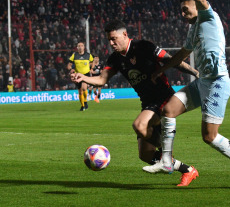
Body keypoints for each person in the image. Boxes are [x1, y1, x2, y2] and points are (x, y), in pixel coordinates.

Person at [143, 0, 230, 189]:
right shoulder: (193, 29)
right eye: (182, 11)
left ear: (197, 8)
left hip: (217, 83)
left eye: (186, 10)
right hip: (202, 81)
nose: (183, 14)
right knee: (168, 110)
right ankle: (166, 162)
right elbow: (181, 56)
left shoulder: (210, 17)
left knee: (209, 136)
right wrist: (160, 70)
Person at [72, 19, 200, 186]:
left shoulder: (144, 47)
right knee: (145, 155)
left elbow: (172, 60)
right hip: (147, 103)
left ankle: (166, 153)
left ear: (124, 34)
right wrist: (84, 78)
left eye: (113, 39)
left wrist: (196, 73)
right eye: (109, 40)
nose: (111, 43)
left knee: (139, 125)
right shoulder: (115, 59)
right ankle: (188, 170)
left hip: (164, 97)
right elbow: (102, 79)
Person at [67, 41, 93, 111]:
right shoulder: (74, 55)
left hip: (85, 74)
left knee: (84, 88)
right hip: (77, 75)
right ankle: (82, 106)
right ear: (77, 47)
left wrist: (91, 68)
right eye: (79, 46)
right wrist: (71, 69)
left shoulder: (88, 55)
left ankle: (85, 101)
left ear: (84, 47)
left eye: (81, 46)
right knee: (80, 91)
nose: (80, 47)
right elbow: (69, 65)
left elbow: (92, 62)